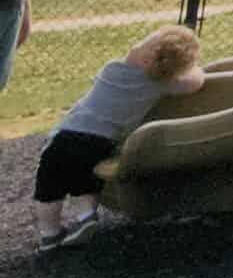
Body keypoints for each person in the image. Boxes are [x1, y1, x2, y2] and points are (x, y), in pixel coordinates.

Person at [32, 25, 204, 251]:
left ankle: (49, 234)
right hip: (103, 144)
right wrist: (190, 69)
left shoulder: (112, 69)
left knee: (49, 186)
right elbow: (196, 81)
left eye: (143, 42)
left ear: (144, 58)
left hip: (68, 137)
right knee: (85, 178)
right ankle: (86, 216)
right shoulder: (162, 85)